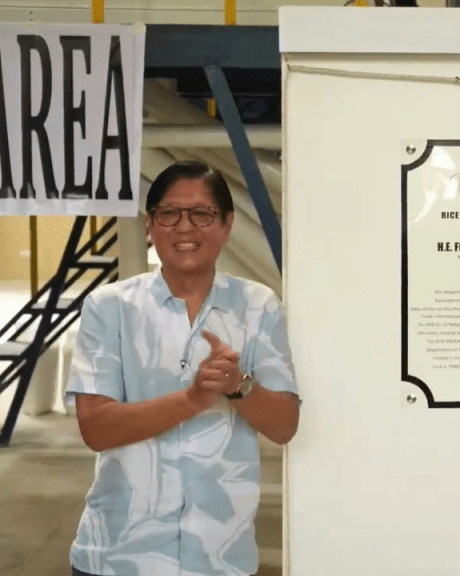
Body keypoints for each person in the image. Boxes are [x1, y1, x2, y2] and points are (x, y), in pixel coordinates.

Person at [64, 161, 300, 576]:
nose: (185, 227)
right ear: (150, 225)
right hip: (118, 557)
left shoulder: (258, 306)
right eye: (169, 214)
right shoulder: (110, 307)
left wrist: (238, 386)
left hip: (220, 558)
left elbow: (284, 426)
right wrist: (193, 399)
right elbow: (96, 429)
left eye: (202, 214)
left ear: (226, 225)